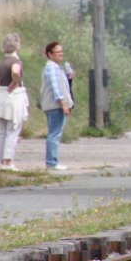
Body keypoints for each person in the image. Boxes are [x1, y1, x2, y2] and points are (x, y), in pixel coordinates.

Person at [0, 33, 29, 172]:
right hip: (13, 96)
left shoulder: (2, 62)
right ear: (17, 45)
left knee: (2, 131)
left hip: (0, 96)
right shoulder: (16, 61)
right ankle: (9, 160)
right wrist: (15, 82)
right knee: (12, 130)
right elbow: (15, 72)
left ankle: (1, 160)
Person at [40, 41, 74, 171]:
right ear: (50, 54)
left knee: (55, 133)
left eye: (61, 52)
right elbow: (55, 88)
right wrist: (63, 104)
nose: (61, 54)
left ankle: (52, 161)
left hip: (56, 105)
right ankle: (52, 162)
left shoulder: (57, 67)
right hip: (55, 106)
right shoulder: (51, 68)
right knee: (54, 134)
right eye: (58, 52)